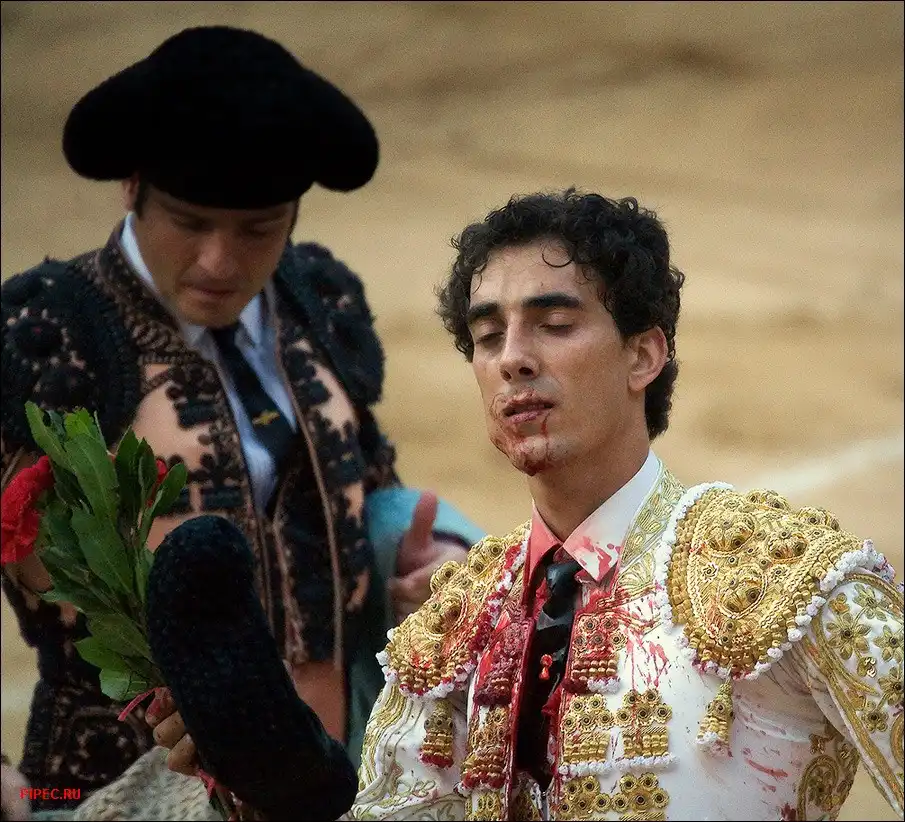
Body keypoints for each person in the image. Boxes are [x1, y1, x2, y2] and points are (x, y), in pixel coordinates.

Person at [10, 189, 904, 821]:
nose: (512, 357)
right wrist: (258, 774)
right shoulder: (449, 630)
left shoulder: (783, 578)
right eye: (485, 335)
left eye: (554, 324)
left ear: (643, 355)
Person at [0, 25, 485, 815]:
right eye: (189, 222)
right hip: (117, 784)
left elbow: (362, 491)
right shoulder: (48, 330)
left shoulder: (317, 298)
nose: (220, 262)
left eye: (258, 229)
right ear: (132, 187)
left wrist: (418, 565)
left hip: (335, 773)